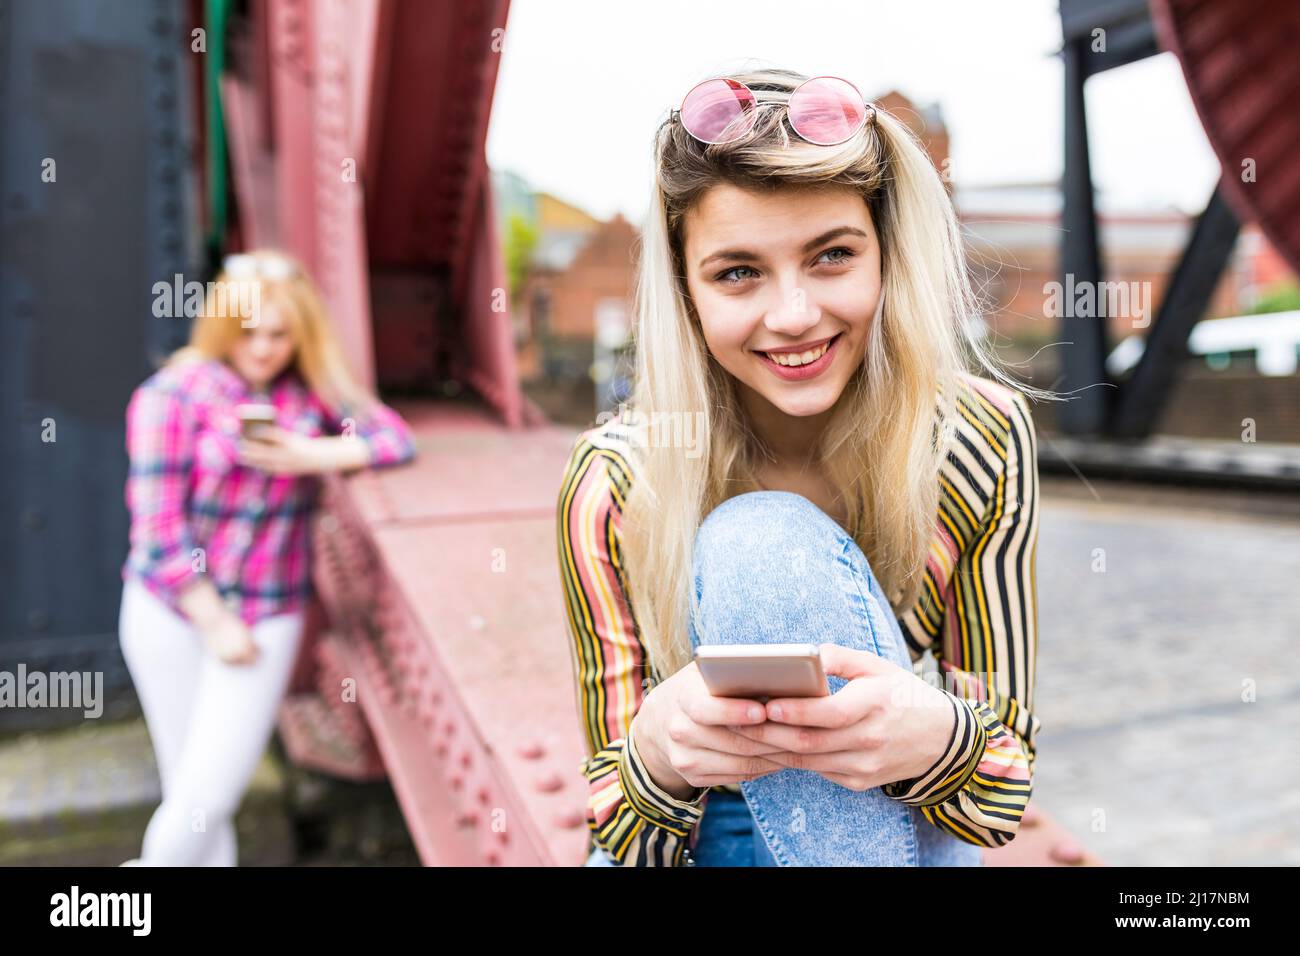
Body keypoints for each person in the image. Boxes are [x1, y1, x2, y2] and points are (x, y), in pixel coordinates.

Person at [557, 70, 1060, 866]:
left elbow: (999, 796)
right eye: (737, 272)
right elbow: (625, 837)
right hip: (703, 836)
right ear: (687, 294)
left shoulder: (978, 437)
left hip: (891, 810)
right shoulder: (617, 480)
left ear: (886, 257)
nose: (793, 315)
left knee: (764, 544)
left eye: (832, 255)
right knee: (758, 543)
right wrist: (657, 751)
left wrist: (938, 735)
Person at [117, 249, 415, 866]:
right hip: (172, 612)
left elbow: (392, 436)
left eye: (280, 335)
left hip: (270, 608)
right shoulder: (172, 394)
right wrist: (212, 619)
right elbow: (157, 527)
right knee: (194, 793)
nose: (262, 348)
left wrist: (315, 456)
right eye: (248, 332)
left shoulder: (308, 397)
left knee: (209, 791)